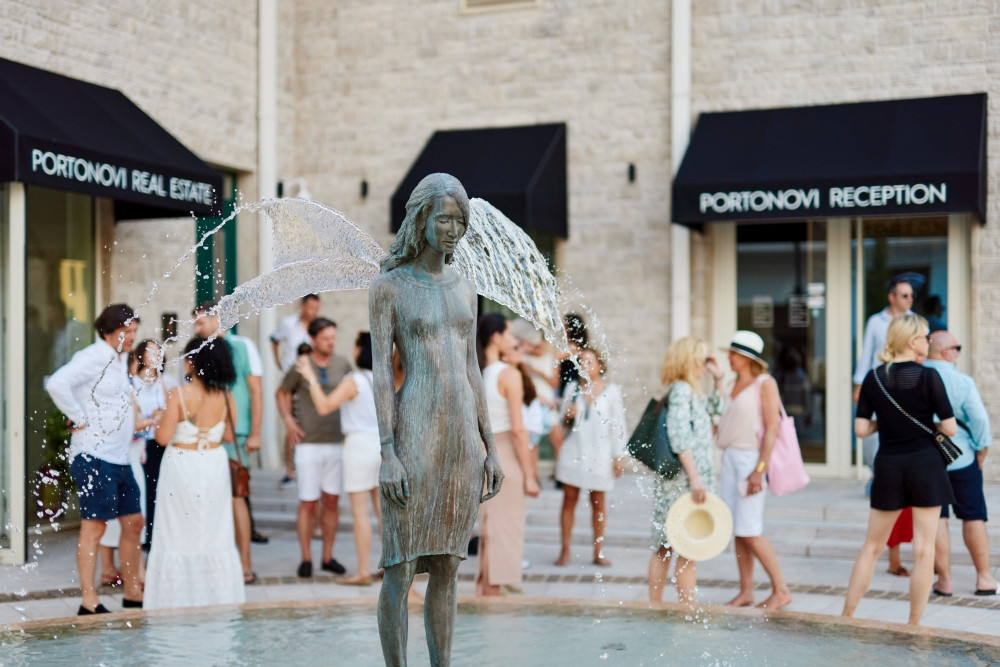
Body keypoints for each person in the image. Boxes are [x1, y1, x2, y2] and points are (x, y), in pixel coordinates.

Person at [369, 173, 503, 666]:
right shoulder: (389, 287)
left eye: (460, 221)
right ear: (422, 217)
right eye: (445, 219)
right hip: (413, 436)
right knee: (400, 567)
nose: (453, 230)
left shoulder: (466, 287)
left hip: (461, 442)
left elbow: (473, 369)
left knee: (448, 566)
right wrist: (387, 451)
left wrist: (492, 447)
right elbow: (381, 373)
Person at [843, 314, 957, 625]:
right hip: (926, 464)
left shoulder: (874, 378)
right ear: (912, 341)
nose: (929, 342)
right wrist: (924, 426)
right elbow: (950, 428)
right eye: (926, 337)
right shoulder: (929, 377)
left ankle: (846, 616)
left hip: (889, 464)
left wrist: (888, 422)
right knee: (924, 550)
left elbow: (861, 429)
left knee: (871, 547)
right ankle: (913, 625)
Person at [44, 304, 143, 614]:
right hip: (94, 456)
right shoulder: (92, 357)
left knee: (134, 522)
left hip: (120, 458)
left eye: (134, 331)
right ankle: (89, 601)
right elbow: (56, 383)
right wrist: (78, 417)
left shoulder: (120, 359)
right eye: (126, 332)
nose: (132, 337)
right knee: (95, 527)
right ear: (109, 332)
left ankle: (132, 593)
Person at [144, 336, 245, 610]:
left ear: (192, 362)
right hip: (213, 464)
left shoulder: (178, 394)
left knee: (176, 531)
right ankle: (216, 598)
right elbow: (228, 436)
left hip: (182, 464)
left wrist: (157, 418)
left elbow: (162, 438)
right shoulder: (226, 396)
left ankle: (175, 599)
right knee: (213, 531)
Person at [296, 331, 382, 585]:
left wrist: (311, 377)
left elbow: (324, 406)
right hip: (382, 446)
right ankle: (390, 568)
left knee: (361, 514)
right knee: (384, 515)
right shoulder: (385, 379)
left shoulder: (354, 380)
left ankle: (363, 571)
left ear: (359, 351)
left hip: (359, 447)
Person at [716, 330, 792, 610]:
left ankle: (781, 590)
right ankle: (746, 591)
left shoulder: (765, 383)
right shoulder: (731, 383)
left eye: (734, 354)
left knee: (750, 530)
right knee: (738, 530)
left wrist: (760, 469)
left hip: (751, 459)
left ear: (748, 358)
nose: (729, 357)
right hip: (729, 458)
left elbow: (772, 428)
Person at [193, 301, 267, 585]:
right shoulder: (197, 349)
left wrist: (256, 432)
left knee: (238, 497)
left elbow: (256, 391)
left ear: (217, 319)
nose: (197, 328)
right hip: (204, 436)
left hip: (236, 435)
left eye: (201, 322)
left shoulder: (244, 347)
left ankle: (245, 565)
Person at [648, 337, 725, 604]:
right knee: (679, 546)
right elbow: (680, 437)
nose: (705, 366)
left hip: (685, 480)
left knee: (672, 545)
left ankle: (661, 606)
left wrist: (718, 378)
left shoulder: (690, 391)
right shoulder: (682, 390)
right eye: (702, 360)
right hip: (682, 481)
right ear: (689, 361)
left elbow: (718, 411)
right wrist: (695, 478)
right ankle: (683, 610)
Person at [278, 317, 352, 578]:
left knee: (331, 502)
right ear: (313, 339)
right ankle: (306, 558)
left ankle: (328, 556)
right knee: (308, 503)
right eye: (325, 338)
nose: (331, 343)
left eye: (333, 337)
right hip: (308, 444)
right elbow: (282, 392)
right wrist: (289, 421)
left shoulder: (343, 364)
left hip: (336, 443)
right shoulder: (301, 365)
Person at [925, 331, 997, 597]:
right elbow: (979, 419)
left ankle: (944, 581)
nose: (959, 352)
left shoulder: (915, 377)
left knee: (937, 519)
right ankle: (984, 579)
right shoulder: (961, 381)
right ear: (946, 353)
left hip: (926, 459)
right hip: (962, 457)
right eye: (958, 347)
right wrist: (982, 448)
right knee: (973, 515)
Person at [852, 275, 915, 574]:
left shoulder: (915, 322)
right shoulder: (876, 322)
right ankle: (893, 557)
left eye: (911, 296)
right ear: (892, 297)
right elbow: (867, 354)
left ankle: (925, 556)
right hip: (882, 397)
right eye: (904, 295)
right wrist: (859, 385)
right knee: (885, 472)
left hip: (908, 400)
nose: (909, 300)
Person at [475, 314, 540, 596]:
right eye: (510, 334)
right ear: (496, 337)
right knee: (505, 532)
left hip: (482, 455)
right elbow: (518, 431)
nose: (515, 340)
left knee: (491, 531)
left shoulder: (477, 373)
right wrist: (530, 476)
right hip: (506, 456)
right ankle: (492, 598)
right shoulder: (508, 375)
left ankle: (484, 595)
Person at [553, 347, 627, 567]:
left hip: (600, 455)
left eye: (589, 362)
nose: (584, 366)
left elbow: (618, 425)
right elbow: (561, 422)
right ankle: (565, 549)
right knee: (569, 500)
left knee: (598, 503)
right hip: (573, 451)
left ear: (600, 366)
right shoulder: (572, 388)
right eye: (581, 362)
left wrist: (619, 456)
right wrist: (568, 415)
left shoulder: (612, 392)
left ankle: (598, 551)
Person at [271, 293, 322, 486]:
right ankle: (290, 471)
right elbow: (274, 339)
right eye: (311, 308)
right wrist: (279, 362)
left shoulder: (318, 326)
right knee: (291, 422)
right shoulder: (288, 323)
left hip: (310, 380)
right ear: (302, 306)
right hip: (291, 379)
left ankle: (310, 467)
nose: (314, 312)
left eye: (316, 308)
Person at [131, 340, 176, 550]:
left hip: (161, 442)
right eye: (150, 351)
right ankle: (145, 536)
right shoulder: (132, 383)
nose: (155, 355)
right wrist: (152, 417)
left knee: (161, 489)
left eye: (158, 351)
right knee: (145, 490)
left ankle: (160, 535)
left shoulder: (167, 381)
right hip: (139, 444)